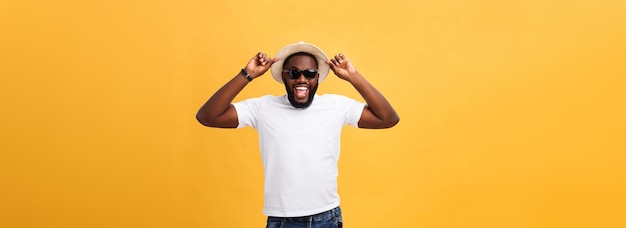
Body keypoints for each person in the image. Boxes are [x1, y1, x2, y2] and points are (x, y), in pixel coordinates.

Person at [196, 42, 399, 228]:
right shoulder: (263, 107)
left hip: (326, 218)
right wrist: (247, 74)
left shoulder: (335, 106)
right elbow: (208, 116)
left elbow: (388, 118)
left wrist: (353, 76)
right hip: (281, 219)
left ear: (317, 77)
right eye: (294, 73)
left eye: (309, 73)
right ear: (284, 76)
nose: (302, 79)